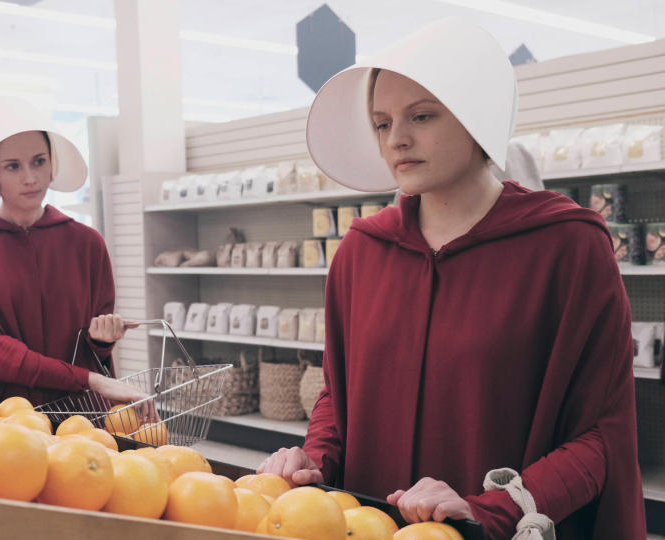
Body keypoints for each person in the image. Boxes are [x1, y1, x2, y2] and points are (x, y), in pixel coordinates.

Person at [258, 18, 643, 539]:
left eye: (421, 116)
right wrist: (314, 460)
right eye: (381, 123)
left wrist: (489, 507)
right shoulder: (361, 252)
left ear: (476, 117)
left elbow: (601, 436)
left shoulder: (567, 247)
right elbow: (338, 394)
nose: (397, 140)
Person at [0, 97, 147, 409]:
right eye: (13, 166)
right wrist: (89, 379)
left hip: (81, 419)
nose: (30, 178)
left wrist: (101, 340)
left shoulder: (88, 243)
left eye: (39, 161)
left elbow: (93, 352)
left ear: (53, 163)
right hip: (8, 418)